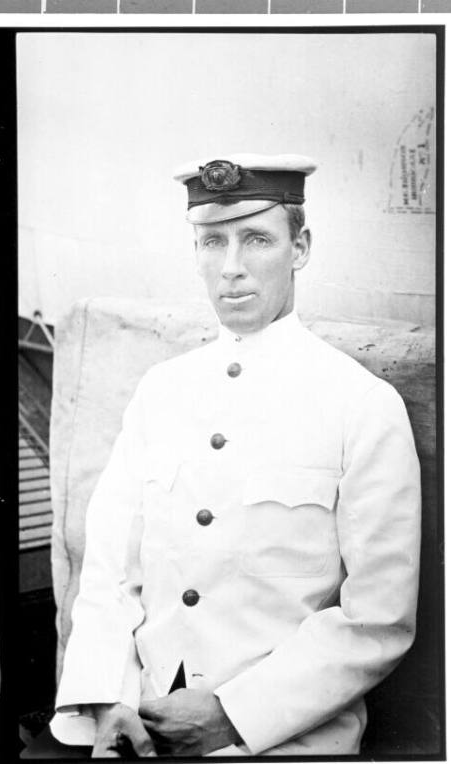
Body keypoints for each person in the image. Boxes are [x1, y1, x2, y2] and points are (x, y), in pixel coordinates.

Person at [50, 154, 421, 758]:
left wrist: (230, 715)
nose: (231, 269)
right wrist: (110, 696)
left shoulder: (361, 405)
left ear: (299, 248)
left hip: (279, 740)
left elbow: (378, 618)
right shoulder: (160, 391)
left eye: (256, 240)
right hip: (139, 727)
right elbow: (111, 568)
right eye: (211, 242)